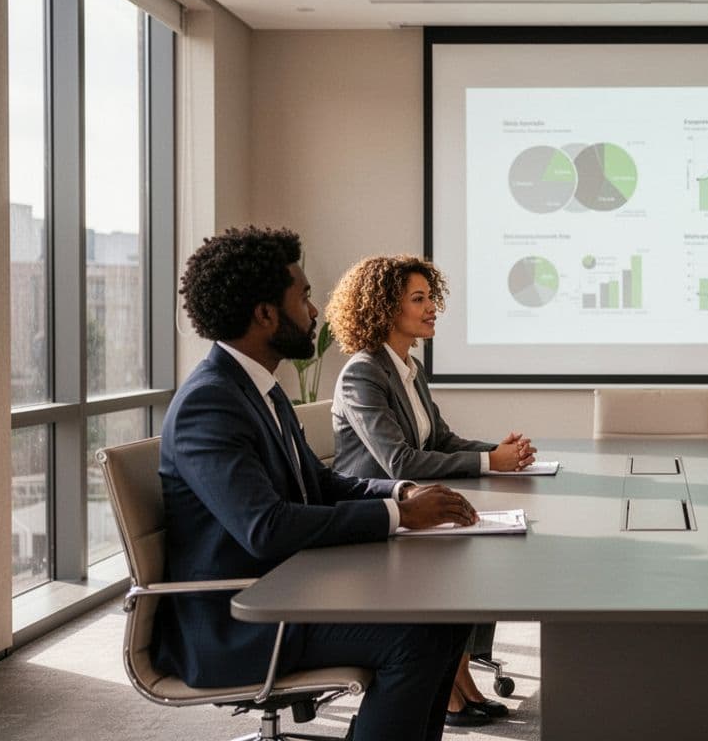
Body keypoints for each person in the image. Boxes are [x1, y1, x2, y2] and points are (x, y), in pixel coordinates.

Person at [154, 227, 478, 741]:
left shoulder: (261, 389)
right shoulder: (209, 403)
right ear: (265, 314)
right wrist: (397, 518)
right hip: (241, 618)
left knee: (446, 619)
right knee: (419, 636)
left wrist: (400, 494)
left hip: (292, 587)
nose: (315, 311)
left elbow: (319, 482)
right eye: (303, 297)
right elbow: (266, 527)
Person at [326, 254, 535, 727]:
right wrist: (489, 463)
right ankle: (452, 692)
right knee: (470, 553)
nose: (431, 308)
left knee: (479, 547)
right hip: (380, 509)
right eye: (418, 299)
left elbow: (439, 440)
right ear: (383, 308)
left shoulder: (408, 368)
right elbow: (398, 461)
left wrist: (500, 453)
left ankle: (459, 682)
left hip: (416, 504)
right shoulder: (363, 372)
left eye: (430, 297)